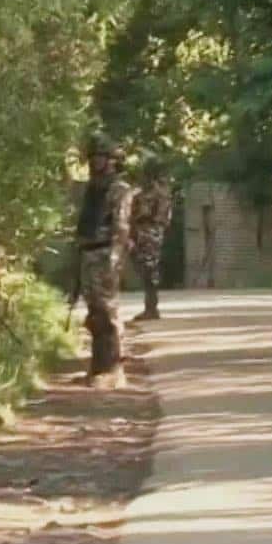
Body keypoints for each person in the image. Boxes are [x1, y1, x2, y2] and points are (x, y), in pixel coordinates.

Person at [75, 132, 134, 388]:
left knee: (108, 313)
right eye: (92, 156)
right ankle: (98, 367)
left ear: (111, 160)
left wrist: (115, 257)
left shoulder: (118, 189)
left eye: (100, 156)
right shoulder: (92, 188)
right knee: (95, 314)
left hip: (105, 254)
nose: (94, 161)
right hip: (89, 253)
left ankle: (113, 370)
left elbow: (122, 227)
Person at [129, 151, 172, 321]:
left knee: (149, 268)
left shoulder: (154, 190)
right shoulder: (159, 188)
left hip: (150, 231)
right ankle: (150, 307)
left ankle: (151, 308)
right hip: (149, 230)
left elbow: (145, 212)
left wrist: (134, 214)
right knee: (147, 268)